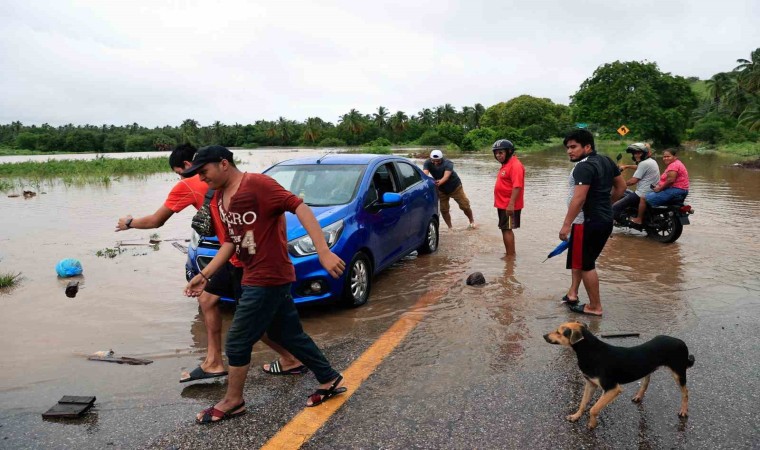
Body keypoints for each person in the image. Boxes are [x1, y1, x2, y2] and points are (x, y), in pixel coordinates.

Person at [182, 145, 347, 423]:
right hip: (254, 273)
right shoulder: (222, 198)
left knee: (237, 341)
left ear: (223, 164)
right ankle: (329, 379)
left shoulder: (257, 184)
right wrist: (206, 273)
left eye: (204, 171)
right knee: (289, 335)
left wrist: (323, 251)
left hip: (268, 275)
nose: (201, 178)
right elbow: (232, 242)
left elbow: (300, 207)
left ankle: (234, 401)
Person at [115, 144, 304, 383]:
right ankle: (214, 362)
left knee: (254, 321)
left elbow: (156, 221)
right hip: (237, 253)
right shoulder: (238, 180)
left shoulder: (188, 184)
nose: (188, 177)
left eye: (180, 172)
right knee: (208, 299)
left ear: (187, 166)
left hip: (240, 258)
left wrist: (129, 222)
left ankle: (289, 359)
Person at [559, 129, 626, 317]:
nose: (569, 151)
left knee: (586, 263)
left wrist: (565, 225)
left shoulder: (583, 167)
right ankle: (573, 293)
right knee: (579, 259)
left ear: (587, 146)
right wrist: (607, 204)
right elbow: (621, 187)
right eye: (567, 147)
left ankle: (595, 307)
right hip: (603, 220)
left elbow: (579, 199)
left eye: (573, 147)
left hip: (588, 222)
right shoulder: (606, 160)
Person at [422, 149, 476, 230]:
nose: (436, 163)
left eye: (438, 161)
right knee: (444, 209)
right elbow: (425, 174)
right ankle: (450, 228)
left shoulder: (448, 163)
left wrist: (437, 183)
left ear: (442, 159)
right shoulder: (427, 163)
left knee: (465, 205)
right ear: (431, 159)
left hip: (455, 187)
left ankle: (472, 221)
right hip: (441, 190)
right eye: (434, 161)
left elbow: (446, 177)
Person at [612, 143, 660, 224]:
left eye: (639, 153)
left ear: (644, 153)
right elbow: (639, 168)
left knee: (615, 207)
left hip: (642, 193)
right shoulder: (651, 161)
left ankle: (611, 225)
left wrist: (620, 184)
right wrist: (627, 166)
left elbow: (633, 181)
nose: (636, 155)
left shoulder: (643, 164)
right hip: (651, 191)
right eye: (635, 153)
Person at [492, 139, 525, 257]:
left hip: (508, 204)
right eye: (496, 153)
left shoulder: (515, 165)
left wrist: (511, 204)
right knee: (504, 229)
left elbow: (517, 186)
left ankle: (510, 258)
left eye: (501, 153)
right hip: (503, 204)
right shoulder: (507, 164)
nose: (498, 155)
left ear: (509, 151)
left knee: (507, 229)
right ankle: (509, 254)